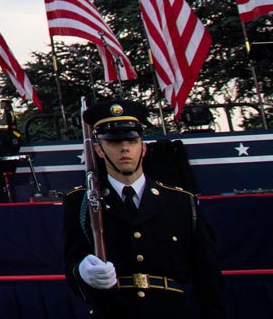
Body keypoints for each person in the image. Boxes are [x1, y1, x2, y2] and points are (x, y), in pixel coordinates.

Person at [63, 99, 225, 318]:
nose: (125, 148)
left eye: (132, 140)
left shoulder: (180, 202)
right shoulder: (81, 202)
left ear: (144, 147)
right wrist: (82, 273)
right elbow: (72, 265)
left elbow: (208, 278)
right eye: (114, 142)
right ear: (98, 150)